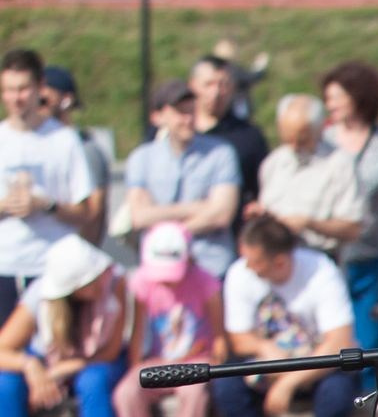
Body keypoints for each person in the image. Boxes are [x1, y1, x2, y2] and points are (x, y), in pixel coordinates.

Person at [214, 214, 360, 417]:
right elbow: (239, 340)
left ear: (280, 261)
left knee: (338, 391)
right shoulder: (240, 274)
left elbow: (339, 342)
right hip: (268, 366)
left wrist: (289, 382)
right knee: (226, 385)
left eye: (256, 261)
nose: (249, 267)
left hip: (316, 366)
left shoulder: (321, 271)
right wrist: (264, 348)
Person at [0, 235, 130, 417]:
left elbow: (108, 352)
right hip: (48, 364)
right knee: (6, 384)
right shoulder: (40, 296)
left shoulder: (115, 283)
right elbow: (3, 348)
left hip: (94, 364)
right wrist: (30, 366)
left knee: (93, 382)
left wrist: (58, 371)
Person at [115, 223, 221, 417]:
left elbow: (219, 337)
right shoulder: (140, 282)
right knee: (126, 393)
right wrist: (136, 369)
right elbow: (137, 333)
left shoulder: (207, 282)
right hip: (159, 361)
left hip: (198, 362)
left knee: (194, 394)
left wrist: (213, 359)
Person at [0, 48, 102, 316]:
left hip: (52, 267)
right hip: (5, 265)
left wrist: (46, 205)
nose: (16, 98)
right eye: (9, 90)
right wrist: (5, 205)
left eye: (23, 89)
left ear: (39, 88)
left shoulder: (64, 140)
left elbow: (87, 212)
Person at [313, 61, 378, 351]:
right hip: (328, 254)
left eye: (337, 97)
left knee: (366, 342)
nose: (330, 104)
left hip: (372, 258)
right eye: (327, 98)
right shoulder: (321, 141)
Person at [126, 79, 243, 278]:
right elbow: (139, 216)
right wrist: (197, 207)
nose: (188, 119)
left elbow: (222, 214)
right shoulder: (142, 158)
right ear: (158, 117)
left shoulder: (221, 153)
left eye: (191, 111)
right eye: (180, 113)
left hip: (210, 267)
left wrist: (169, 228)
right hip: (160, 265)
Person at [257, 95, 359, 258]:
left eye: (302, 140)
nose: (294, 147)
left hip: (319, 256)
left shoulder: (339, 165)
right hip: (276, 256)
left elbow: (353, 229)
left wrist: (310, 224)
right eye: (288, 139)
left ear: (319, 131)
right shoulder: (273, 163)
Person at [37, 65, 113, 238]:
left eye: (44, 100)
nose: (38, 105)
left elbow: (94, 213)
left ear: (66, 99)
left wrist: (83, 250)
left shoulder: (85, 149)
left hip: (71, 248)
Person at [191, 54, 271, 213]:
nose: (216, 92)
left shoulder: (249, 137)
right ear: (193, 86)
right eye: (208, 84)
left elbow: (263, 188)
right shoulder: (174, 133)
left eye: (223, 85)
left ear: (233, 88)